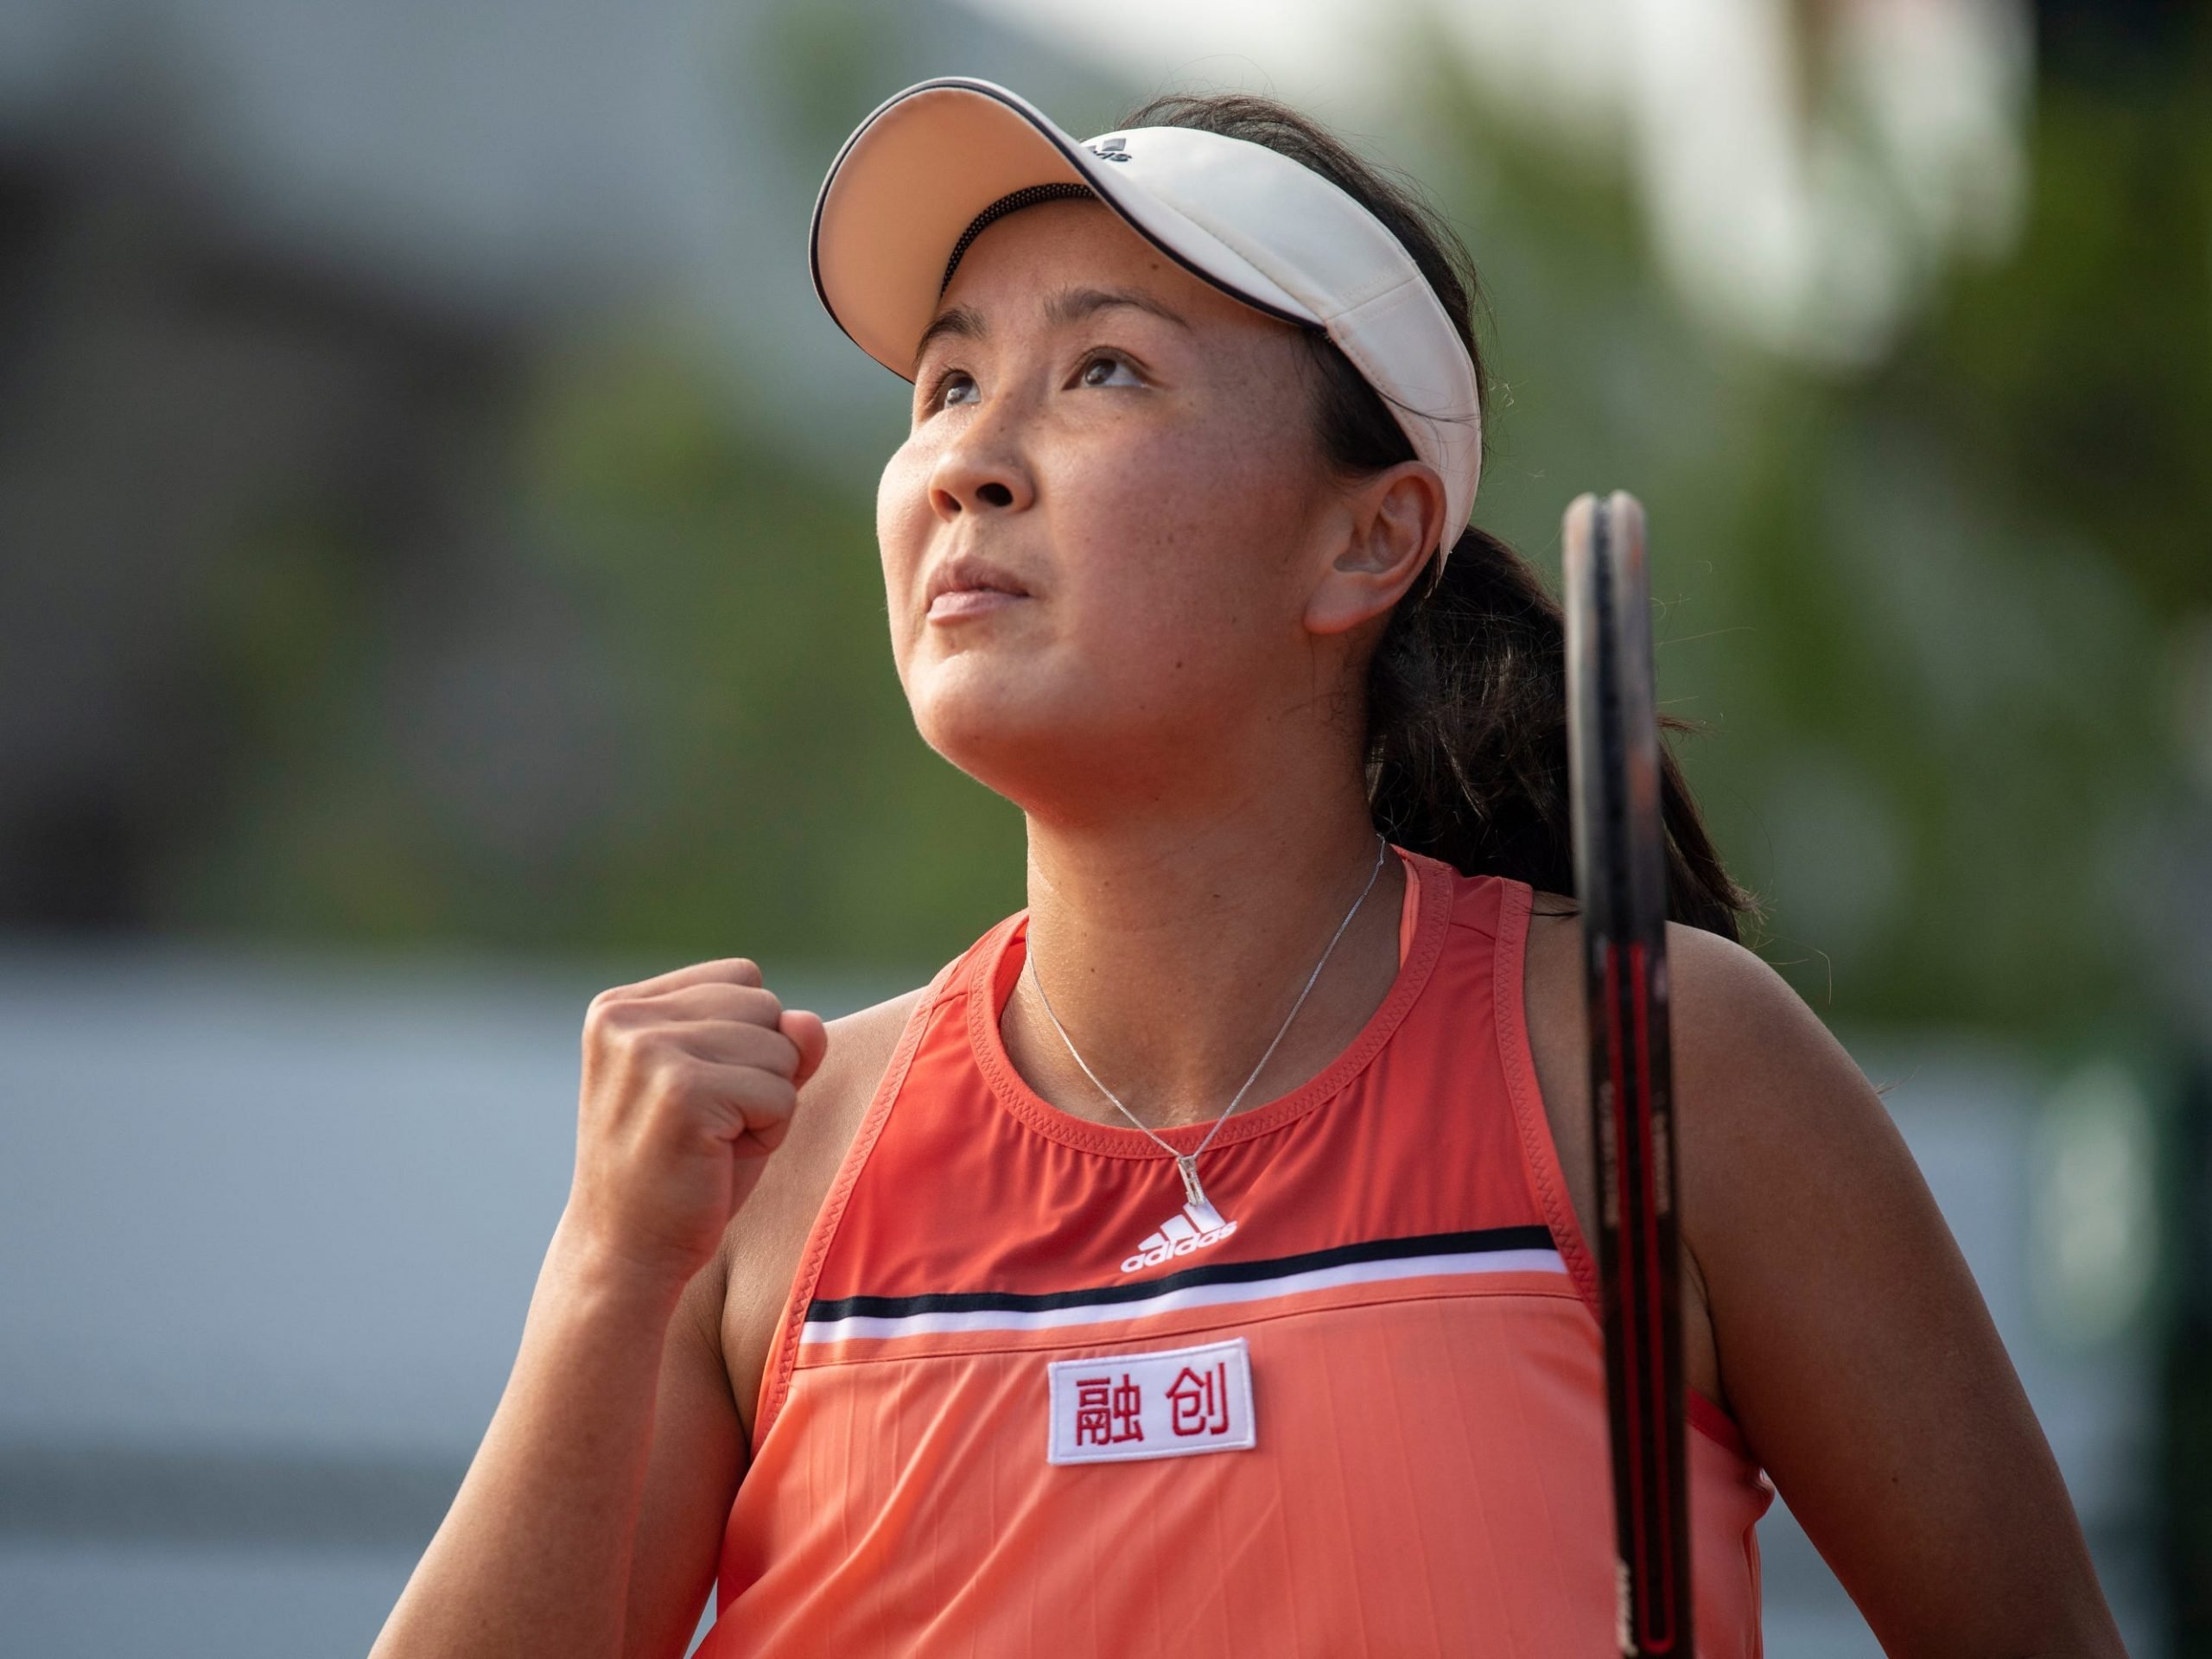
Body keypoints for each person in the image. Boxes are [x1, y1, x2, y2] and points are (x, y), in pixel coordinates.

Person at [370, 79, 2126, 1659]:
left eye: (1103, 370)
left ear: (1366, 539)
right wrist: (605, 1272)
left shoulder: (1658, 1064)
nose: (968, 460)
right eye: (950, 382)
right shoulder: (757, 1172)